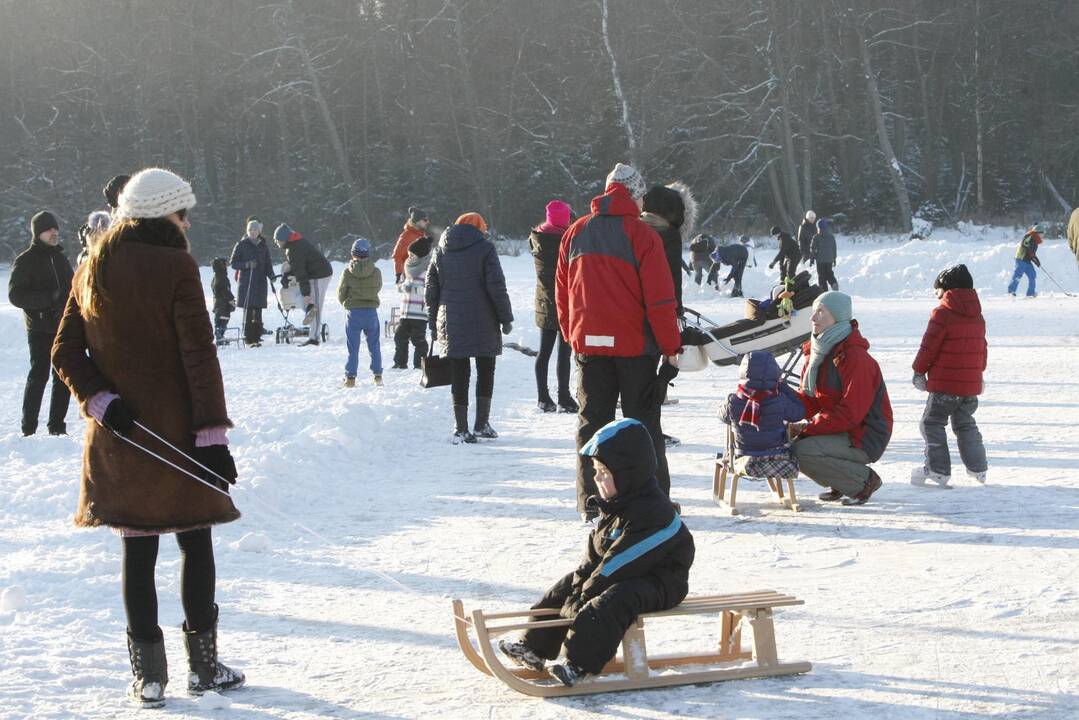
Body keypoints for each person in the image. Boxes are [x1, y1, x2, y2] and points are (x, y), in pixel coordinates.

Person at [51, 168, 243, 708]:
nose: (189, 224)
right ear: (168, 216)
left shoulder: (94, 263)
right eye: (185, 214)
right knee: (195, 542)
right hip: (178, 435)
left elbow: (64, 353)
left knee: (138, 553)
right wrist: (212, 435)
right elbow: (199, 358)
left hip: (123, 437)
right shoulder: (177, 265)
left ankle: (150, 677)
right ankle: (203, 670)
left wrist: (101, 401)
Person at [497, 418, 694, 687]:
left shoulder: (654, 513)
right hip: (625, 575)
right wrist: (578, 587)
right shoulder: (615, 508)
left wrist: (585, 595)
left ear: (628, 472)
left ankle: (578, 663)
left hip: (661, 581)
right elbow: (593, 558)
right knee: (568, 584)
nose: (597, 478)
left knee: (612, 598)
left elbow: (621, 562)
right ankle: (534, 646)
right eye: (596, 471)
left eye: (604, 472)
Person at [556, 162, 682, 520]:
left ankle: (590, 502)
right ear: (633, 196)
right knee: (643, 425)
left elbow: (562, 293)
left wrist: (571, 334)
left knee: (591, 423)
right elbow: (660, 300)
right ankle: (652, 500)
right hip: (635, 350)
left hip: (590, 348)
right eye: (641, 196)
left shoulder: (576, 231)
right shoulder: (643, 236)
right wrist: (670, 346)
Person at [791, 291, 892, 506]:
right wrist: (777, 404)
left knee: (801, 450)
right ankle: (840, 480)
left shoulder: (855, 358)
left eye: (821, 312)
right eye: (813, 311)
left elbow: (851, 414)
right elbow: (810, 400)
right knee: (790, 442)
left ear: (838, 317)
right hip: (842, 428)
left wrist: (807, 429)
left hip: (864, 435)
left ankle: (862, 482)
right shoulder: (818, 351)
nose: (813, 318)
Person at [425, 212, 513, 444]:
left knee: (459, 373)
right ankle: (482, 423)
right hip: (483, 318)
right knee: (486, 369)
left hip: (450, 319)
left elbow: (431, 290)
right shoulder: (485, 249)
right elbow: (496, 286)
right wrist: (505, 318)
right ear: (480, 227)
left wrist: (433, 321)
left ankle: (461, 428)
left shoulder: (440, 250)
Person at [911, 264, 988, 486]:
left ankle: (938, 470)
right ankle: (978, 468)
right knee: (965, 423)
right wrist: (979, 374)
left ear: (947, 289)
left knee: (932, 423)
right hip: (969, 386)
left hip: (945, 386)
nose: (937, 296)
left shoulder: (942, 313)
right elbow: (982, 348)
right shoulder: (977, 316)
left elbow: (929, 347)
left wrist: (918, 371)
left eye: (938, 291)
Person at [9, 210, 75, 436]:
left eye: (56, 228)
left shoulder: (61, 259)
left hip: (62, 327)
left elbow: (72, 291)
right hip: (38, 327)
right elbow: (15, 295)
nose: (54, 232)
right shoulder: (25, 260)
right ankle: (28, 429)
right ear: (38, 233)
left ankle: (56, 427)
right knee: (39, 376)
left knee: (62, 377)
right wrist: (49, 299)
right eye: (49, 229)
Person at [720, 351, 805, 480]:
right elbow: (799, 412)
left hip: (742, 456)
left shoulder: (734, 401)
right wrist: (783, 386)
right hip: (776, 456)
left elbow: (721, 415)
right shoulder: (780, 400)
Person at [529, 200, 576, 413]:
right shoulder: (566, 240)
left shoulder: (537, 238)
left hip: (543, 301)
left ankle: (543, 397)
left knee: (544, 351)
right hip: (564, 301)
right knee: (563, 353)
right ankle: (564, 398)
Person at [274, 223, 334, 346]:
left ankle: (314, 338)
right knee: (301, 298)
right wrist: (287, 274)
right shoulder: (295, 244)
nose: (277, 243)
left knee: (315, 303)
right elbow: (299, 267)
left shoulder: (294, 249)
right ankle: (309, 309)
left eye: (278, 241)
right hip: (314, 273)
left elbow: (301, 274)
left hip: (320, 275)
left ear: (284, 239)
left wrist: (306, 294)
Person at [338, 237, 384, 387]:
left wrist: (346, 303)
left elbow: (341, 293)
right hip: (371, 312)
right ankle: (378, 376)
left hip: (353, 313)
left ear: (353, 254)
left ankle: (350, 378)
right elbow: (378, 287)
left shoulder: (347, 273)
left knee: (353, 347)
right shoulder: (376, 272)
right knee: (374, 344)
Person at [228, 218, 275, 346]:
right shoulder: (241, 244)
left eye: (255, 230)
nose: (253, 232)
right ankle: (248, 337)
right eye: (250, 230)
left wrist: (271, 274)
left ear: (259, 231)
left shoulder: (263, 245)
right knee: (248, 309)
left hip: (260, 281)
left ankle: (257, 335)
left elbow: (268, 263)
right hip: (247, 282)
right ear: (247, 231)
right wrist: (247, 265)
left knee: (258, 309)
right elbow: (233, 263)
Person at [392, 235, 432, 370]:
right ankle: (400, 363)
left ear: (421, 256)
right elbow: (401, 286)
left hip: (419, 313)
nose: (410, 257)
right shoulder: (407, 268)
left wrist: (414, 289)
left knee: (418, 339)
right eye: (409, 254)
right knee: (399, 337)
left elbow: (430, 291)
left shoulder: (428, 271)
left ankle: (419, 364)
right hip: (405, 312)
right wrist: (402, 286)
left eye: (413, 254)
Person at [393, 206, 431, 283]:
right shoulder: (406, 236)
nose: (427, 222)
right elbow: (397, 256)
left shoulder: (421, 235)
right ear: (417, 221)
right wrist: (399, 274)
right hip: (411, 277)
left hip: (421, 275)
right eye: (424, 220)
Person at [1007, 222, 1044, 297]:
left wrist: (1036, 260)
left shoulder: (1036, 241)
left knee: (1032, 275)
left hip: (1027, 260)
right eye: (1042, 233)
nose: (1043, 235)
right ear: (1037, 233)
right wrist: (1031, 253)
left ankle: (1031, 293)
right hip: (1021, 258)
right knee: (1018, 275)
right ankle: (1011, 292)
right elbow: (1024, 244)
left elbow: (1032, 253)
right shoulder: (1029, 236)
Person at [210, 258, 236, 345]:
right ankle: (219, 337)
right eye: (225, 265)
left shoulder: (216, 277)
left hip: (219, 303)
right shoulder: (222, 277)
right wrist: (231, 299)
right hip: (222, 304)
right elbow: (225, 290)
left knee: (221, 320)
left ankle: (220, 336)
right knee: (222, 320)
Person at [810, 218, 839, 291]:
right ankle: (833, 283)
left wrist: (812, 258)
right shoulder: (831, 237)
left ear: (818, 227)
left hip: (820, 260)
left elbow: (812, 249)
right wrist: (834, 258)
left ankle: (823, 292)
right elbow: (834, 248)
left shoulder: (816, 237)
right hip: (829, 259)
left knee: (821, 277)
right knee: (829, 273)